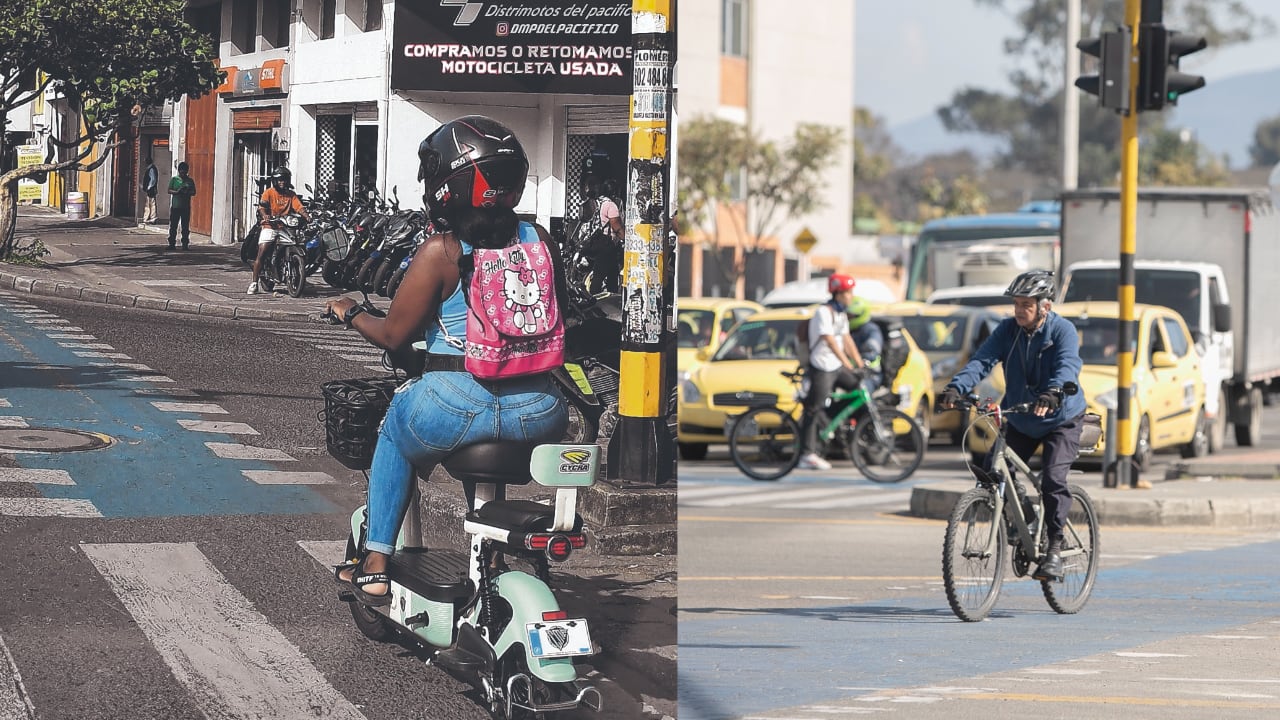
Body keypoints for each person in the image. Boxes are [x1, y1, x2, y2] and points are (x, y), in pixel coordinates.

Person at [325, 115, 569, 605]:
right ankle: (492, 554)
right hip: (540, 409)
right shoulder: (539, 241)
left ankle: (374, 559)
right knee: (486, 433)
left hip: (454, 401)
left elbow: (395, 334)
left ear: (449, 187)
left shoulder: (443, 250)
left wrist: (350, 312)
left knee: (395, 430)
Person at [937, 270, 1089, 581]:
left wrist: (1054, 391)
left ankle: (1055, 549)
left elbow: (1068, 365)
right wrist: (957, 388)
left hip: (1061, 417)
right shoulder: (1008, 330)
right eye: (1016, 304)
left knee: (1052, 480)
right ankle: (1026, 519)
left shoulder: (1063, 330)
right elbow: (983, 360)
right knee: (992, 471)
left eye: (1026, 304)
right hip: (1022, 416)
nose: (1019, 310)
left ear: (1044, 306)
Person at [798, 274, 867, 470]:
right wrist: (847, 362)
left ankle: (831, 423)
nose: (851, 296)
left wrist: (859, 363)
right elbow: (829, 340)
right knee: (812, 408)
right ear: (838, 293)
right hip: (822, 366)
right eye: (848, 292)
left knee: (859, 389)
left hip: (836, 367)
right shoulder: (823, 312)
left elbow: (847, 340)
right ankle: (807, 454)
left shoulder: (840, 314)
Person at [249, 167, 309, 295]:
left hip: (285, 227)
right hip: (269, 226)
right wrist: (265, 215)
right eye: (280, 180)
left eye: (284, 179)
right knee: (262, 251)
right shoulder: (269, 192)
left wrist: (307, 216)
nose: (282, 182)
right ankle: (254, 283)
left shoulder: (291, 194)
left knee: (298, 243)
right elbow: (262, 207)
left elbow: (299, 207)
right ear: (275, 181)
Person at [577, 175, 623, 295]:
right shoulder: (611, 205)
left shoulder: (597, 202)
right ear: (614, 192)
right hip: (606, 244)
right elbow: (617, 228)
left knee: (612, 273)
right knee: (600, 274)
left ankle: (612, 299)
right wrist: (629, 240)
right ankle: (595, 298)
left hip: (594, 242)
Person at [846, 297, 885, 395]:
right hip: (848, 372)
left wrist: (864, 359)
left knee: (862, 396)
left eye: (851, 316)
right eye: (847, 315)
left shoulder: (870, 330)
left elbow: (872, 349)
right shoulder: (845, 330)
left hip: (869, 374)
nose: (848, 318)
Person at [166, 161, 196, 249]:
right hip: (176, 206)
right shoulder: (174, 179)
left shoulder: (190, 181)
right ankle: (172, 243)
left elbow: (194, 192)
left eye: (184, 172)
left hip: (185, 207)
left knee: (185, 226)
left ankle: (185, 243)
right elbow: (169, 190)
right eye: (181, 172)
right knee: (173, 226)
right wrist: (177, 192)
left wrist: (187, 192)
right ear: (179, 171)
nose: (183, 174)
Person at [141, 156, 158, 224]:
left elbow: (153, 179)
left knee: (151, 203)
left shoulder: (151, 169)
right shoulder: (150, 168)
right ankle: (148, 217)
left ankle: (152, 217)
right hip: (150, 189)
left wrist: (149, 187)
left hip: (151, 189)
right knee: (149, 203)